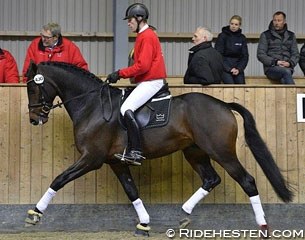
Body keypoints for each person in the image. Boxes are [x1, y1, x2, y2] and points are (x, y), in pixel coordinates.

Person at [106, 3, 167, 166]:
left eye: (130, 20)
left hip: (152, 81)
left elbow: (143, 66)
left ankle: (136, 151)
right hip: (147, 80)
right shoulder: (143, 35)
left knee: (126, 108)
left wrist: (119, 74)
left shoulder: (146, 36)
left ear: (139, 19)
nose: (128, 23)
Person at [22, 22, 88, 82]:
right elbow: (28, 69)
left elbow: (81, 68)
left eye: (47, 37)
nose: (43, 39)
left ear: (56, 37)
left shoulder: (70, 47)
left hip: (63, 88)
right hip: (40, 87)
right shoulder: (34, 45)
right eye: (42, 36)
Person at [257, 11, 299, 84]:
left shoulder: (291, 35)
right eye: (275, 20)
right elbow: (261, 54)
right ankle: (295, 95)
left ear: (284, 21)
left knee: (284, 79)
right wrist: (276, 62)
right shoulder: (265, 35)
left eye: (279, 20)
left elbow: (295, 54)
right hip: (271, 68)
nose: (276, 23)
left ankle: (291, 95)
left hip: (287, 67)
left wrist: (289, 63)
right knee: (286, 72)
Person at [215, 15, 249, 84]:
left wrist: (239, 69)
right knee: (230, 85)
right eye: (232, 24)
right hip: (225, 67)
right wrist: (229, 69)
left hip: (238, 68)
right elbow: (218, 55)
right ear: (229, 24)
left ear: (239, 26)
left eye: (236, 24)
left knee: (241, 87)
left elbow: (245, 56)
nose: (233, 26)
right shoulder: (222, 36)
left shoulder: (242, 38)